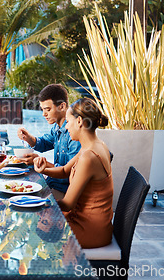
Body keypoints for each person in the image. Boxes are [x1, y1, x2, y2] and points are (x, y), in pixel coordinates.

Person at [34, 98, 113, 249]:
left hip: (90, 229)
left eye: (68, 122)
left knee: (44, 239)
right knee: (46, 225)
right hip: (96, 223)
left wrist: (37, 203)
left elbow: (68, 203)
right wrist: (43, 169)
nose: (66, 127)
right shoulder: (93, 145)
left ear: (79, 122)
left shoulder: (88, 156)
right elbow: (64, 170)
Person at [17, 84, 81, 198]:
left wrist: (42, 163)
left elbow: (70, 173)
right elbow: (44, 143)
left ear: (62, 106)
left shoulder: (74, 134)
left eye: (48, 109)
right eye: (42, 110)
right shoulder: (57, 127)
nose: (44, 114)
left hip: (64, 191)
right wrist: (28, 138)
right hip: (52, 183)